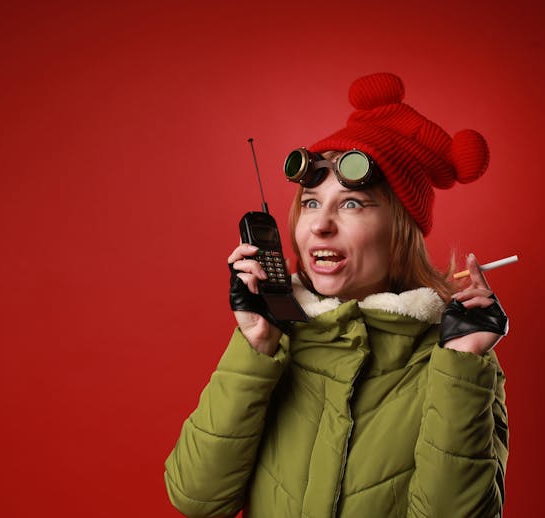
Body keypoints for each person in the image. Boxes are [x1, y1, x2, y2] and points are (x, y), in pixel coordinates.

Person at [164, 72, 510, 517]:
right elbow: (196, 499)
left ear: (400, 231)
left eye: (352, 203)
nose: (319, 225)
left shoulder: (458, 360)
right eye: (310, 202)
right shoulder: (273, 339)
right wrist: (254, 351)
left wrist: (461, 369)